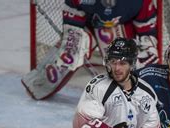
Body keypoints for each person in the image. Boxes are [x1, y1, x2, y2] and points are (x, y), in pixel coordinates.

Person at [22, 0, 159, 100]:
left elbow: (146, 31)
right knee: (71, 54)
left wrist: (145, 58)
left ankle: (138, 95)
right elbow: (72, 20)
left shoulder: (138, 2)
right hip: (86, 26)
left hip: (120, 27)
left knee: (127, 67)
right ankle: (38, 84)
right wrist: (73, 42)